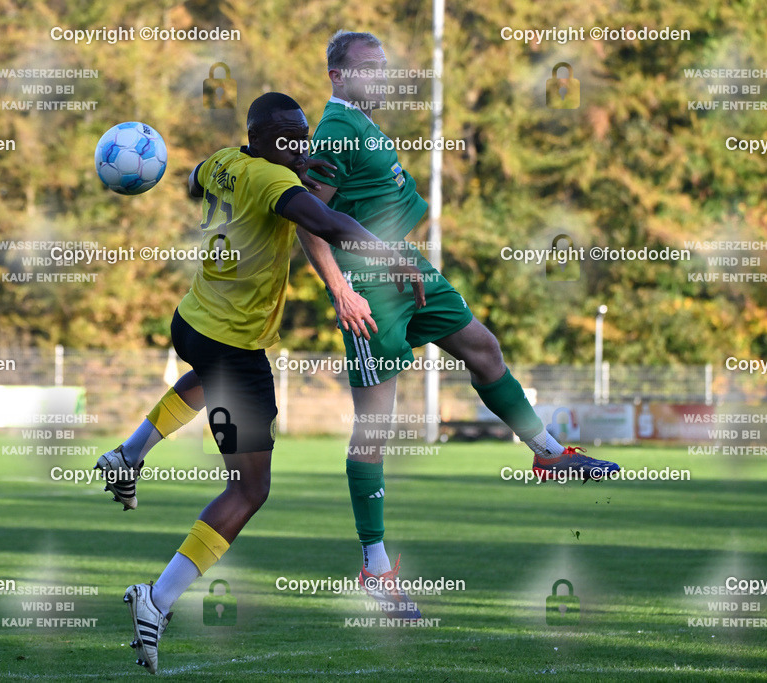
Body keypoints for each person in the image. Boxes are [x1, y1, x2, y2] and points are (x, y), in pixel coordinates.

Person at [95, 91, 425, 675]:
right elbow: (325, 221)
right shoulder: (274, 181)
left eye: (307, 133)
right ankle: (157, 599)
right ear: (270, 139)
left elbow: (196, 178)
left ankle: (129, 453)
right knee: (249, 491)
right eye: (294, 136)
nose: (305, 144)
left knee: (205, 380)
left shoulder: (226, 160)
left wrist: (178, 172)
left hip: (194, 323)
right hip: (234, 347)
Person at [294, 30, 621, 616]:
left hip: (407, 270)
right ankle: (375, 567)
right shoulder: (334, 132)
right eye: (368, 68)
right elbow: (308, 220)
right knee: (375, 429)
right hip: (369, 291)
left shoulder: (365, 123)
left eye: (385, 66)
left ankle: (547, 453)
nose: (381, 77)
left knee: (484, 349)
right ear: (338, 77)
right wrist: (341, 290)